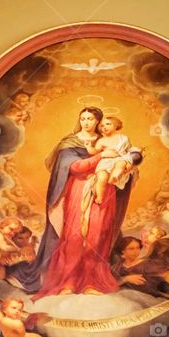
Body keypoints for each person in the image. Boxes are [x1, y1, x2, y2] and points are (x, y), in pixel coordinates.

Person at [19, 107, 141, 298]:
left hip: (104, 192)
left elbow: (131, 161)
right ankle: (68, 281)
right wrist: (101, 157)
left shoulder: (113, 140)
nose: (85, 122)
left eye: (90, 119)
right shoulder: (71, 142)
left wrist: (127, 163)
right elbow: (75, 167)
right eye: (82, 118)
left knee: (97, 236)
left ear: (98, 122)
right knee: (74, 237)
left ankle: (92, 282)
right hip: (77, 190)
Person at [113, 232, 169, 302]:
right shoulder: (117, 267)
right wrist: (126, 279)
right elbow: (109, 285)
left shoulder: (146, 263)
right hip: (124, 299)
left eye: (138, 248)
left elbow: (167, 274)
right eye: (131, 249)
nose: (136, 251)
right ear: (122, 251)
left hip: (149, 300)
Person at [90, 115, 141, 203]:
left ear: (116, 125)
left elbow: (129, 151)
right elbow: (95, 151)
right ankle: (100, 197)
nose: (104, 127)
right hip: (106, 161)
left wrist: (130, 162)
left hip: (120, 158)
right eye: (102, 125)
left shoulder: (123, 138)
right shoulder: (101, 141)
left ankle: (115, 177)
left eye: (108, 124)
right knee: (102, 177)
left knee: (120, 165)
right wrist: (89, 147)